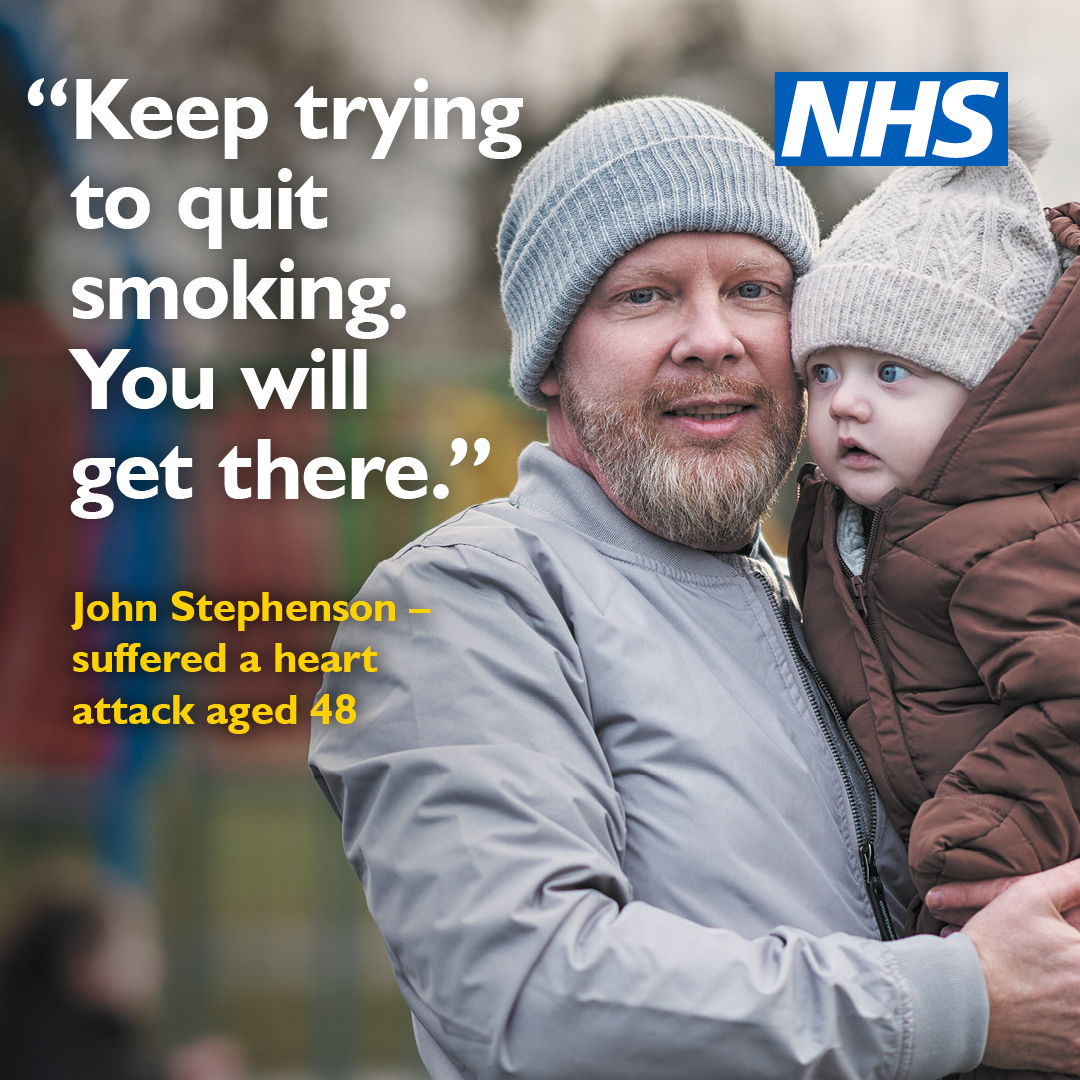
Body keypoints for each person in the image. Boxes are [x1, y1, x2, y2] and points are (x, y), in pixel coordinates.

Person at [308, 96, 1080, 1080]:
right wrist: (966, 997)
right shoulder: (469, 601)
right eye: (646, 295)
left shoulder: (833, 595)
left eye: (755, 291)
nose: (712, 338)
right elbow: (526, 998)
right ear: (550, 362)